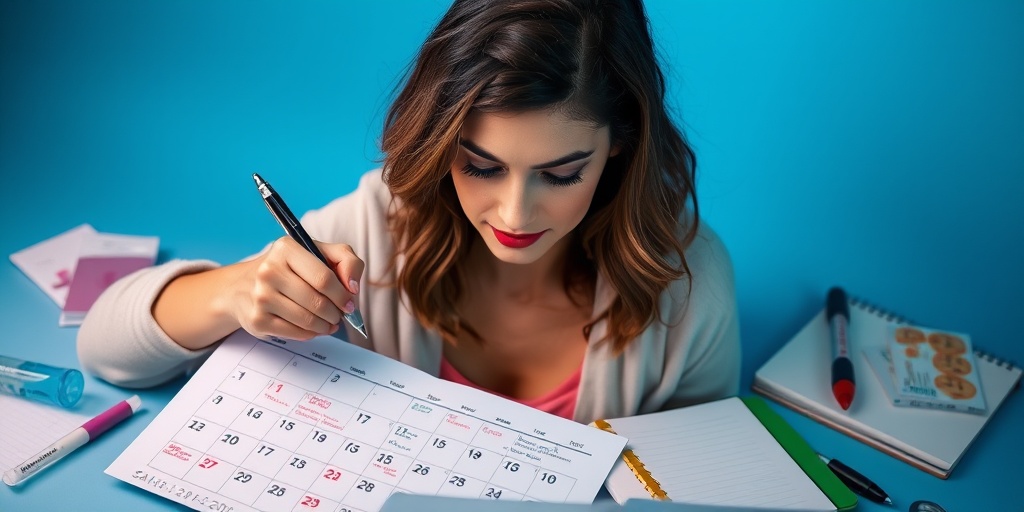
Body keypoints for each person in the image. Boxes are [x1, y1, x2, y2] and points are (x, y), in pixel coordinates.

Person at [77, 0, 740, 424]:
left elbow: (710, 464)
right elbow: (104, 348)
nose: (514, 211)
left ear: (620, 147)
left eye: (562, 173)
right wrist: (235, 290)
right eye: (479, 165)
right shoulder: (381, 225)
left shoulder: (687, 279)